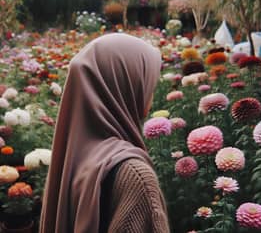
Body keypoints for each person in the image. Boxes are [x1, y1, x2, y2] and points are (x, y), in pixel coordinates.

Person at [39, 33, 170, 233]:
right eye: (148, 83)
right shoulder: (135, 177)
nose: (150, 93)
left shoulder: (72, 158)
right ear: (126, 86)